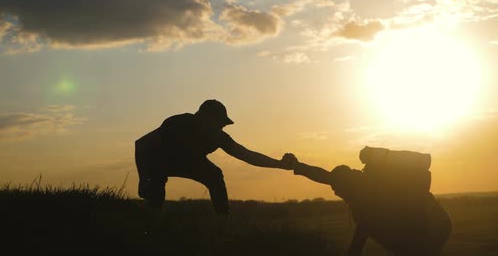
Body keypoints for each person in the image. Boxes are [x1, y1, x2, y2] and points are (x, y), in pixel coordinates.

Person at [135, 99, 293, 215]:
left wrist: (280, 164)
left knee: (215, 175)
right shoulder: (177, 124)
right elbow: (141, 144)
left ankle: (223, 221)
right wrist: (143, 177)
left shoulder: (219, 137)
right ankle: (153, 223)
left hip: (191, 161)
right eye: (219, 122)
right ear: (204, 119)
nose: (222, 127)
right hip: (159, 159)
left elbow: (247, 155)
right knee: (155, 184)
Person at [282, 153, 452, 256]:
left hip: (430, 228)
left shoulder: (367, 200)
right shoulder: (355, 184)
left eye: (336, 189)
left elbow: (359, 240)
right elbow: (324, 176)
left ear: (346, 187)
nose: (334, 192)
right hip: (433, 224)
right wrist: (297, 166)